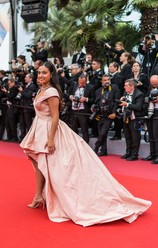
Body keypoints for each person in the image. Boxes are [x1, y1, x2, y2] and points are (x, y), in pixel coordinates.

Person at [19, 61, 151, 227]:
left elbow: (55, 117)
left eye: (44, 73)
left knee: (58, 167)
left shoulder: (51, 92)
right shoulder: (41, 89)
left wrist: (51, 139)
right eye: (39, 73)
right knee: (38, 162)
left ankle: (51, 195)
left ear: (51, 74)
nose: (41, 75)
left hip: (50, 131)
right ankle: (39, 195)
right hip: (39, 128)